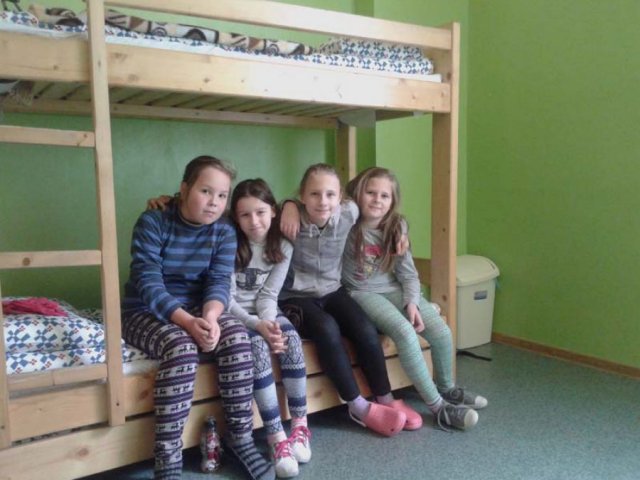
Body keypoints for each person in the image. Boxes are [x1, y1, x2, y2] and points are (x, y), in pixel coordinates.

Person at [122, 156, 274, 480]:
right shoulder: (153, 222)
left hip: (197, 306)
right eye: (206, 191)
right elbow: (148, 283)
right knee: (181, 348)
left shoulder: (224, 230)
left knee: (237, 338)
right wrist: (188, 324)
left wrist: (211, 318)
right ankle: (167, 458)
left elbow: (218, 281)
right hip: (144, 309)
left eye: (222, 195)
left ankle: (241, 438)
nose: (214, 202)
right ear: (184, 189)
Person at [278, 163, 421, 437]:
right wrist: (287, 205)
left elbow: (386, 213)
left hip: (332, 290)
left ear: (341, 197)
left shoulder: (349, 212)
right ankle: (357, 406)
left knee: (364, 328)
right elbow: (264, 209)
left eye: (330, 194)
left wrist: (401, 230)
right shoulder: (291, 219)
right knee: (327, 328)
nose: (323, 201)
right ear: (302, 196)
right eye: (314, 194)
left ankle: (385, 397)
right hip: (295, 296)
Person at [342, 166, 488, 431]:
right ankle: (439, 408)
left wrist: (412, 301)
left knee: (441, 331)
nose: (377, 200)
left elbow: (408, 274)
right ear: (358, 194)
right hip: (361, 292)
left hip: (395, 288)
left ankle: (447, 388)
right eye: (370, 192)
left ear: (392, 201)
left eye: (384, 196)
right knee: (405, 332)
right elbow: (326, 203)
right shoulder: (345, 222)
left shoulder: (396, 227)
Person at [228, 179, 311, 479]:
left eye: (261, 212)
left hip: (265, 311)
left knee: (291, 339)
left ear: (273, 211)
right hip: (235, 315)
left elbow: (268, 296)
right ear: (236, 218)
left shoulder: (282, 246)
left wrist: (271, 325)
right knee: (257, 348)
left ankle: (300, 426)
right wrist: (257, 326)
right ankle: (276, 436)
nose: (254, 221)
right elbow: (226, 300)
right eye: (245, 215)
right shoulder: (228, 244)